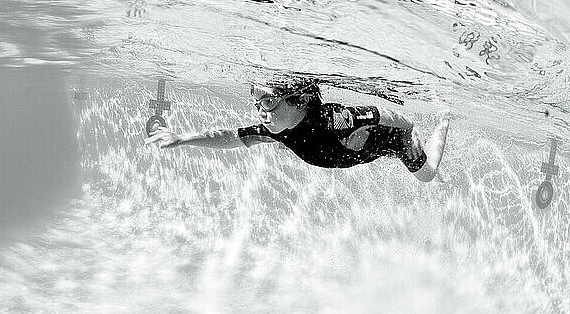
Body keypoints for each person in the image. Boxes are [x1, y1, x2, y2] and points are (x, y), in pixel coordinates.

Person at [145, 78, 449, 182]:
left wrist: (408, 130)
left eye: (270, 102)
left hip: (393, 139)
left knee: (426, 174)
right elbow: (231, 137)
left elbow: (389, 116)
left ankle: (443, 121)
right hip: (362, 151)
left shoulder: (334, 119)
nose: (262, 111)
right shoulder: (278, 129)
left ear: (300, 101)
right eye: (257, 103)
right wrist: (183, 138)